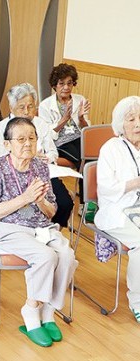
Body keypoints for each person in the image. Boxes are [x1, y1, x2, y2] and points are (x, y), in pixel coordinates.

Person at [0, 117, 77, 347]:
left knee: (67, 255)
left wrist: (40, 201)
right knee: (46, 256)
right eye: (21, 139)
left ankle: (48, 313)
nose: (27, 144)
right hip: (7, 227)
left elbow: (51, 211)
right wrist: (26, 198)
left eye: (32, 138)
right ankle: (32, 311)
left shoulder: (40, 167)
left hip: (40, 227)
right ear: (7, 144)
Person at [0, 83, 73, 228]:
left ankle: (51, 230)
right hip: (14, 176)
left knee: (64, 203)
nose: (26, 112)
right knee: (26, 207)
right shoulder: (2, 128)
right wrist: (26, 155)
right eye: (21, 107)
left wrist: (47, 157)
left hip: (42, 173)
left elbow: (53, 152)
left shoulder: (40, 124)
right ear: (11, 108)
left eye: (30, 106)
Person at [95, 96, 140, 322]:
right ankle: (137, 301)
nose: (138, 124)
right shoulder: (111, 148)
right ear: (121, 124)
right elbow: (106, 188)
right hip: (117, 209)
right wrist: (136, 182)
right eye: (131, 119)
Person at [38, 63, 91, 169]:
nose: (66, 87)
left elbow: (86, 130)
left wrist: (81, 119)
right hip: (61, 143)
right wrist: (64, 120)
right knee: (84, 158)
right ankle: (85, 178)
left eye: (69, 83)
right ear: (54, 85)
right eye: (61, 84)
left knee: (93, 153)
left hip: (79, 139)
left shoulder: (80, 100)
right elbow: (46, 133)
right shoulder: (45, 105)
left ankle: (85, 177)